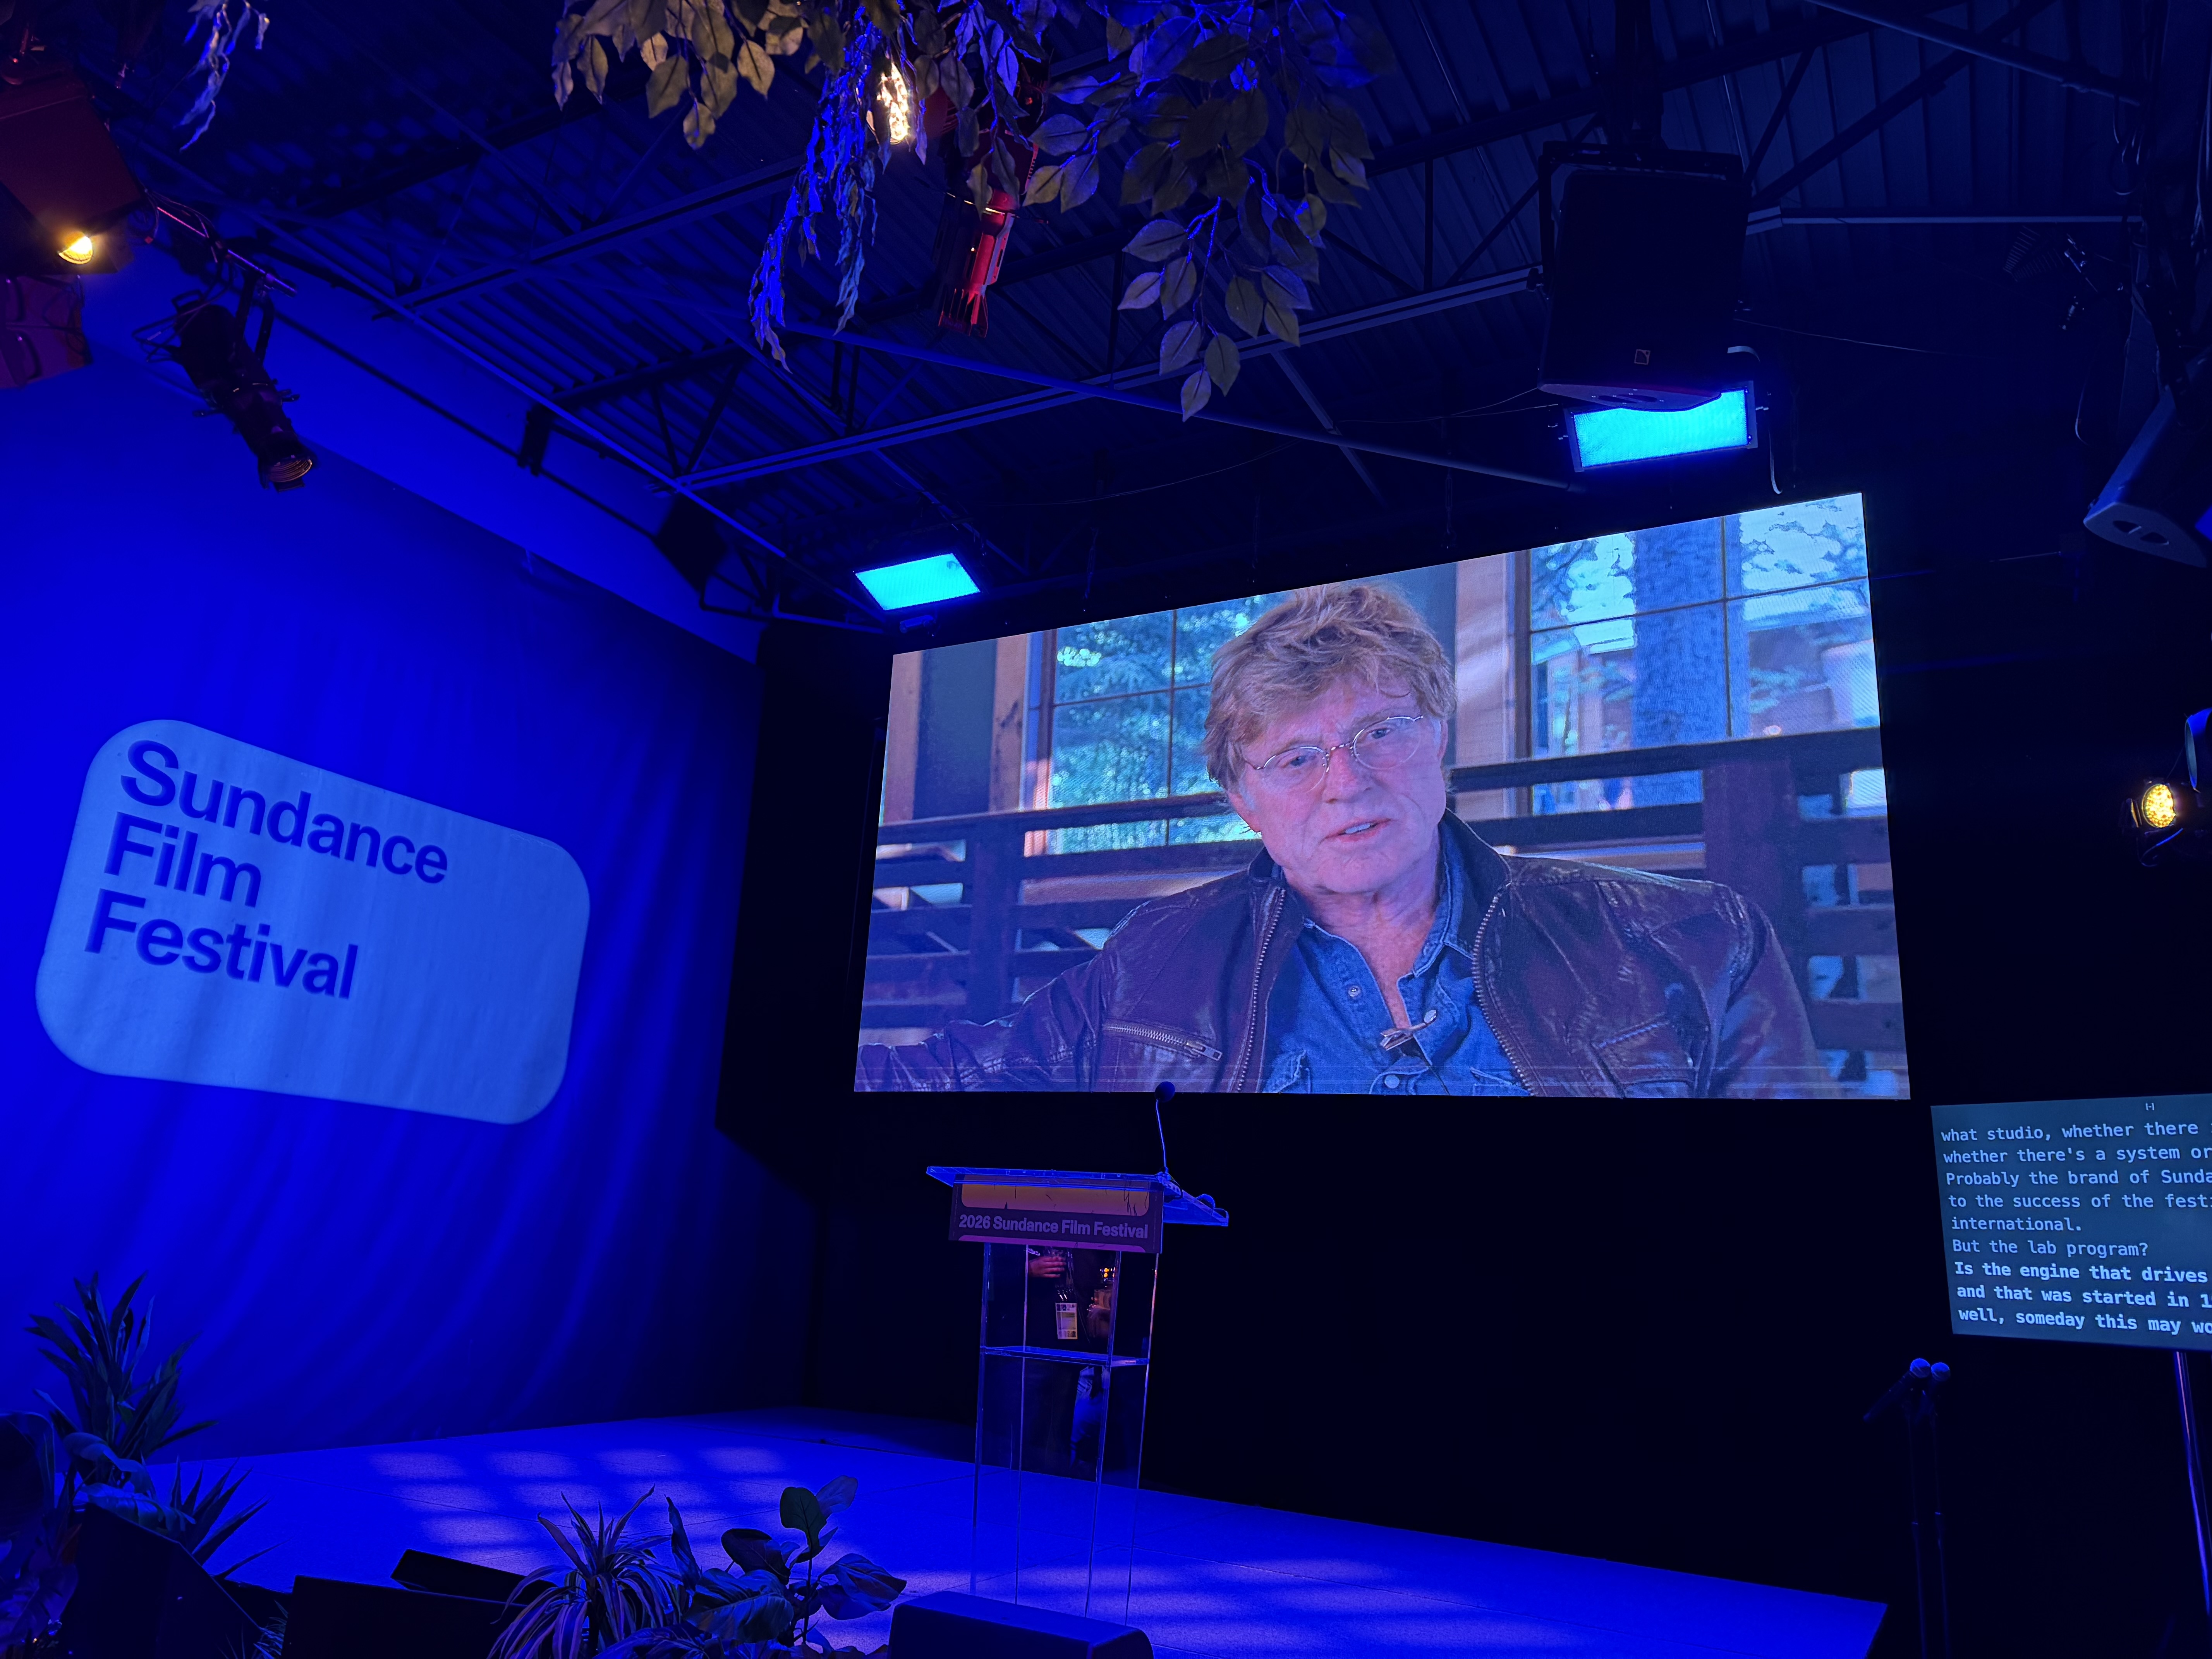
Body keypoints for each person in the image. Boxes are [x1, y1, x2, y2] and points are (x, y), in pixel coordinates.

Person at [856, 583, 1832, 1097]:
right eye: (1295, 759)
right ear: (1244, 800)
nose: (1347, 783)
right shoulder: (1153, 960)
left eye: (1379, 733)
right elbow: (969, 1071)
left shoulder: (1699, 943)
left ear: (1438, 739)